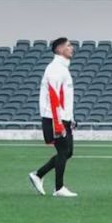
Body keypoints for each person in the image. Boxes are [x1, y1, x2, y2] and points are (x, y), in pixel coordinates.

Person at [29, 37, 77, 198]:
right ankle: (58, 188)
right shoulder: (55, 68)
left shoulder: (63, 68)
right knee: (64, 151)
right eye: (69, 45)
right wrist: (58, 123)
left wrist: (70, 118)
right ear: (59, 49)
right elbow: (54, 96)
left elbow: (65, 97)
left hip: (63, 117)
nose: (72, 48)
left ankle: (38, 174)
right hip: (54, 117)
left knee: (68, 152)